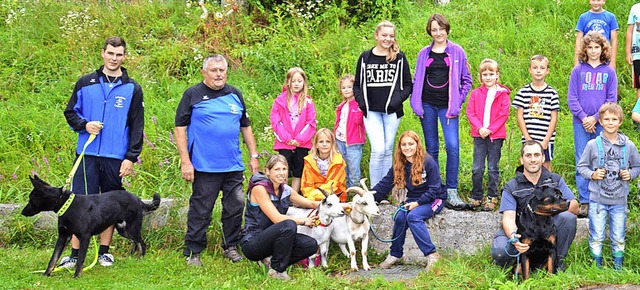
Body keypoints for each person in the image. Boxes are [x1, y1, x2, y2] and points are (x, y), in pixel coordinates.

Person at [61, 36, 144, 268]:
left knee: (110, 205)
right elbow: (70, 112)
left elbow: (138, 125)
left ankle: (105, 252)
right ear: (103, 53)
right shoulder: (85, 83)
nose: (114, 58)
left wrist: (130, 157)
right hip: (86, 155)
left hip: (114, 156)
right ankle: (76, 254)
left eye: (119, 54)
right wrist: (84, 125)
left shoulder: (132, 88)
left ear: (124, 56)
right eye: (110, 53)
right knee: (80, 203)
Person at [175, 54, 260, 266]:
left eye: (222, 70)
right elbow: (179, 129)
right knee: (201, 210)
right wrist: (186, 162)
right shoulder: (192, 94)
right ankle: (193, 250)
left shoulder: (234, 94)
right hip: (204, 166)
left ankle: (230, 246)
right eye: (214, 70)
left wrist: (254, 156)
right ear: (204, 72)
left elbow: (246, 127)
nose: (218, 74)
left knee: (234, 208)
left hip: (232, 165)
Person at [409, 13, 473, 211]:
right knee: (432, 148)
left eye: (441, 29)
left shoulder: (457, 51)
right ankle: (435, 189)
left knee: (453, 147)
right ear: (430, 31)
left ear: (447, 29)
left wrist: (458, 101)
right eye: (434, 29)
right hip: (427, 105)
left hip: (448, 108)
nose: (438, 33)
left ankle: (452, 190)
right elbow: (416, 79)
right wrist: (416, 103)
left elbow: (467, 79)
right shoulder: (423, 53)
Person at [491, 140, 579, 272]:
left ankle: (557, 261)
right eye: (528, 155)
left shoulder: (555, 179)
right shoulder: (512, 186)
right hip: (521, 229)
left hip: (547, 226)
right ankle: (516, 264)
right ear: (522, 159)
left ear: (543, 158)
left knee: (568, 218)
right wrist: (515, 238)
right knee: (500, 251)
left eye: (537, 155)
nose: (533, 160)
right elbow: (508, 218)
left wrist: (551, 207)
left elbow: (575, 207)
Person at [577, 102, 640, 270]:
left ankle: (618, 270)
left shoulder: (629, 145)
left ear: (620, 122)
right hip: (597, 200)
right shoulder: (592, 145)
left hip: (619, 201)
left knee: (618, 236)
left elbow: (637, 166)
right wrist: (592, 174)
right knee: (596, 236)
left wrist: (631, 174)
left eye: (614, 119)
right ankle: (596, 269)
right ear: (601, 122)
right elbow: (581, 167)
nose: (610, 122)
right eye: (607, 119)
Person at [372, 130, 447, 272]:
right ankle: (395, 254)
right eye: (404, 145)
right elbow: (384, 184)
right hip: (414, 199)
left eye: (411, 144)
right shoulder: (400, 164)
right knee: (401, 217)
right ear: (400, 147)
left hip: (434, 198)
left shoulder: (428, 162)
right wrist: (368, 197)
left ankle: (432, 255)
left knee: (414, 216)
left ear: (417, 144)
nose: (407, 147)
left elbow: (435, 189)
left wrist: (417, 204)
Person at [240, 154, 320, 281]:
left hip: (274, 239)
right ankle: (277, 270)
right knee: (289, 225)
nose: (281, 173)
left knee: (310, 245)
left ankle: (272, 262)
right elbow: (277, 219)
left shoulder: (285, 189)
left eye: (284, 169)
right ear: (267, 171)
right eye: (277, 169)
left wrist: (341, 206)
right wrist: (304, 221)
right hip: (253, 242)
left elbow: (309, 203)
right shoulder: (259, 189)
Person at [354, 20, 413, 189]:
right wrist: (362, 103)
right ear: (376, 36)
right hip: (371, 111)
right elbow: (357, 84)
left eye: (391, 36)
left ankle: (385, 189)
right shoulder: (365, 57)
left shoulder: (399, 58)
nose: (388, 39)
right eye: (384, 35)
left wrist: (397, 100)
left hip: (392, 112)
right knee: (378, 150)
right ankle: (374, 190)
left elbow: (408, 84)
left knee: (388, 150)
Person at [568, 31, 618, 217]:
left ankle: (602, 198)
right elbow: (572, 98)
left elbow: (611, 99)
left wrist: (596, 118)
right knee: (583, 158)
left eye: (597, 47)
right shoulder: (578, 71)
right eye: (590, 47)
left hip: (602, 124)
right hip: (580, 123)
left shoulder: (609, 72)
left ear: (603, 49)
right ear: (585, 49)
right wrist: (584, 118)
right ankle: (585, 201)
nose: (594, 51)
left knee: (602, 158)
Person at [465, 59, 510, 211]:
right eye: (485, 74)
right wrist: (479, 128)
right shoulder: (476, 94)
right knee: (477, 167)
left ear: (497, 75)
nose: (488, 77)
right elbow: (470, 112)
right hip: (479, 136)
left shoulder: (502, 94)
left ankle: (492, 196)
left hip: (495, 137)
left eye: (491, 74)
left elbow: (503, 115)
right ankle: (477, 196)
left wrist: (490, 129)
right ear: (480, 77)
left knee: (492, 167)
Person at [270, 67, 317, 194]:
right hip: (284, 143)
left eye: (299, 81)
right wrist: (287, 138)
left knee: (298, 170)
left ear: (304, 83)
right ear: (288, 82)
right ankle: (282, 194)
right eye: (293, 81)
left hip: (302, 143)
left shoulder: (308, 102)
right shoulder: (280, 101)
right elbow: (275, 121)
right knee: (283, 170)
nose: (296, 84)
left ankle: (294, 197)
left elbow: (311, 123)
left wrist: (299, 140)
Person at [512, 55, 560, 171]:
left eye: (542, 68)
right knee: (529, 166)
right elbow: (520, 116)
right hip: (528, 138)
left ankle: (547, 188)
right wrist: (527, 138)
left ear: (547, 71)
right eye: (535, 68)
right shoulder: (523, 92)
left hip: (545, 139)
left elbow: (554, 118)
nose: (538, 71)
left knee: (545, 166)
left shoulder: (552, 93)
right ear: (530, 69)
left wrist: (546, 140)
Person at [334, 74, 365, 188]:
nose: (346, 90)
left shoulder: (359, 104)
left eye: (349, 87)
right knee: (343, 168)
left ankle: (354, 192)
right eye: (343, 88)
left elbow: (359, 122)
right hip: (340, 141)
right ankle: (344, 192)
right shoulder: (341, 106)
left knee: (353, 169)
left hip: (353, 143)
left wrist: (359, 110)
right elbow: (338, 123)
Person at [300, 128, 347, 202]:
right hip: (313, 198)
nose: (324, 144)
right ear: (316, 145)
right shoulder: (309, 161)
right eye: (321, 142)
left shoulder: (338, 162)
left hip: (335, 197)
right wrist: (311, 198)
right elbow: (306, 185)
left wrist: (315, 196)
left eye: (328, 142)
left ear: (332, 144)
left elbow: (333, 185)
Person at [573, 0, 618, 69]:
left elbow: (614, 40)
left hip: (604, 58)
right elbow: (578, 40)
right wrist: (576, 61)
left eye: (599, 0)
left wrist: (612, 61)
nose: (596, 3)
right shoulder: (583, 17)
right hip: (587, 57)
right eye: (593, 0)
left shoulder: (611, 17)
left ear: (604, 1)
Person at [626, 2, 640, 99]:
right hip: (637, 53)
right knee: (639, 84)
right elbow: (629, 31)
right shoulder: (635, 8)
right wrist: (628, 52)